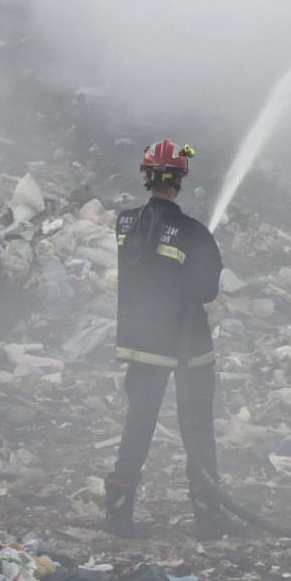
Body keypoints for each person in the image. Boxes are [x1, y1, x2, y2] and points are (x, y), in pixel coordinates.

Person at [104, 138, 232, 539]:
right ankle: (209, 519)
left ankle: (118, 517)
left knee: (138, 424)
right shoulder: (194, 232)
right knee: (197, 428)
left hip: (140, 341)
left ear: (145, 177)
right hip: (187, 346)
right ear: (182, 179)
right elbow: (205, 291)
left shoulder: (124, 221)